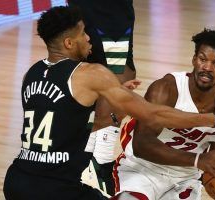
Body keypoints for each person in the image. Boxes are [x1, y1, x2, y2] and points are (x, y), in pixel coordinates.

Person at [3, 7, 215, 200]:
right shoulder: (91, 74)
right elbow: (152, 115)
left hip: (17, 180)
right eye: (84, 34)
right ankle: (105, 171)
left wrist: (109, 108)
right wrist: (214, 120)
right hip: (57, 187)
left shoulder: (32, 73)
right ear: (70, 43)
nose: (90, 39)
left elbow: (63, 122)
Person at [111, 29, 215, 200]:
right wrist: (198, 160)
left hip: (185, 180)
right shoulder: (167, 89)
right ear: (194, 59)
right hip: (142, 170)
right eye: (202, 59)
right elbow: (142, 145)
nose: (207, 67)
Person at [67, 0, 136, 195]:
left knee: (88, 72)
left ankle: (86, 159)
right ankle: (100, 162)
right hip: (108, 13)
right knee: (116, 76)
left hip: (88, 10)